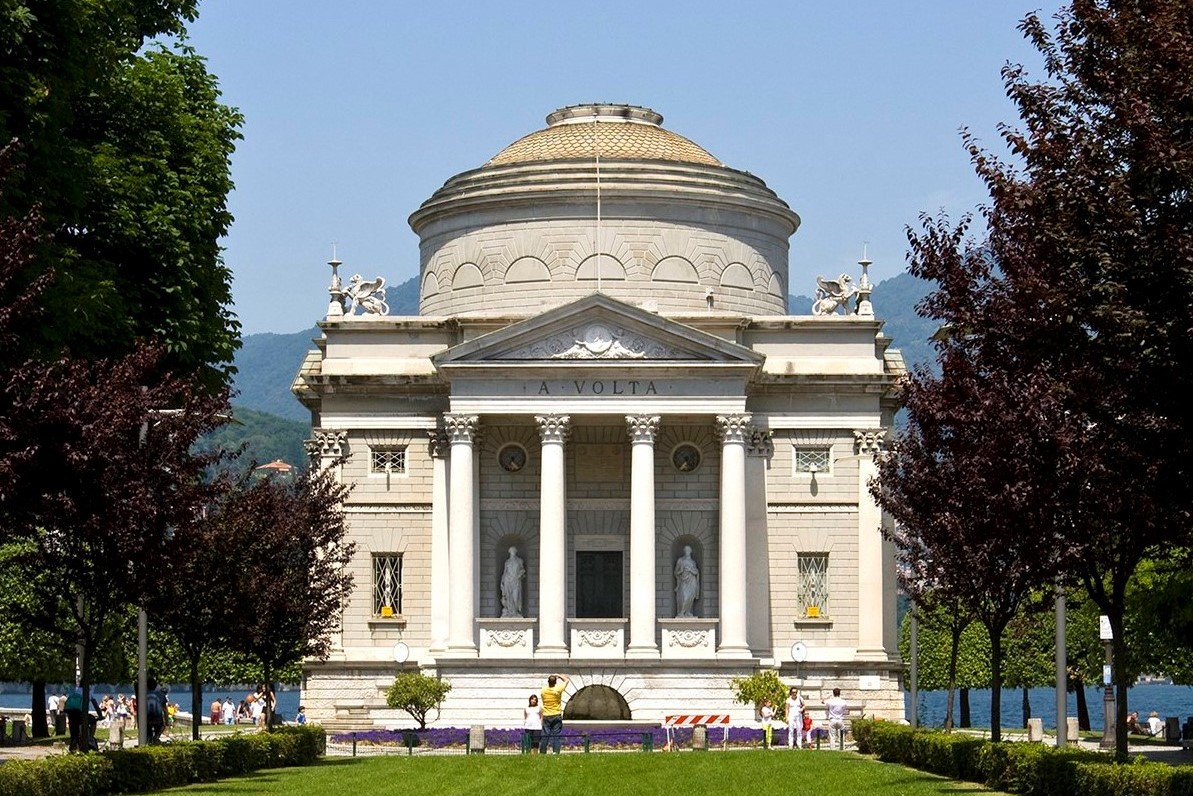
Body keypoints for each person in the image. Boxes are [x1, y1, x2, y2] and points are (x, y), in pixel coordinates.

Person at [539, 673, 569, 754]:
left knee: (545, 735)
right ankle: (555, 751)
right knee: (556, 734)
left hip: (546, 715)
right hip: (556, 714)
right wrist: (558, 675)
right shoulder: (558, 689)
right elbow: (566, 680)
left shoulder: (543, 690)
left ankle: (542, 751)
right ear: (555, 682)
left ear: (548, 682)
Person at [674, 546, 700, 617]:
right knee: (685, 596)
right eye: (686, 549)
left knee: (691, 597)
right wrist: (681, 571)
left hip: (692, 581)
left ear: (691, 551)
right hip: (683, 581)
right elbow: (676, 572)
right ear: (684, 551)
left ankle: (688, 611)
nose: (687, 551)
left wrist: (690, 570)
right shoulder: (680, 560)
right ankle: (681, 612)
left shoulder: (693, 562)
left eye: (688, 549)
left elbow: (696, 572)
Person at [500, 546, 525, 618]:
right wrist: (502, 581)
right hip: (508, 581)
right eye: (511, 551)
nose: (512, 552)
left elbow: (522, 570)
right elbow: (505, 572)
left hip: (516, 581)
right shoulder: (507, 562)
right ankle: (510, 612)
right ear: (509, 552)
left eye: (514, 551)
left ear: (516, 552)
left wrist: (519, 575)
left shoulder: (519, 561)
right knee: (508, 596)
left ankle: (516, 612)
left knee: (515, 597)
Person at [144, 678, 167, 744]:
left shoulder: (143, 695)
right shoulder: (161, 695)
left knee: (148, 732)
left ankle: (150, 740)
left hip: (147, 717)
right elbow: (164, 709)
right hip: (158, 717)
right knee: (161, 727)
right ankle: (156, 738)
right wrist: (166, 720)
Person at [64, 687, 84, 752]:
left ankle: (72, 745)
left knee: (72, 731)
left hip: (71, 715)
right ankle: (78, 745)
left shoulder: (70, 697)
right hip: (79, 714)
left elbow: (66, 708)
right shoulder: (81, 697)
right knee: (79, 731)